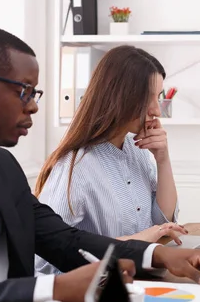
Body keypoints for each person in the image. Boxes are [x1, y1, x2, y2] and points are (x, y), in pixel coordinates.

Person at [0, 27, 200, 302]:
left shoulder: (1, 167)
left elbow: (64, 240)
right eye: (23, 91)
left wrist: (160, 255)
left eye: (35, 94)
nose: (33, 106)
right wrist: (52, 290)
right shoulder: (72, 166)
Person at [34, 45, 185, 274]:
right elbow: (46, 261)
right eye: (148, 98)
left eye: (159, 97)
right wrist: (143, 239)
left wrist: (163, 159)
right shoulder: (76, 167)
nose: (156, 110)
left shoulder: (137, 150)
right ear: (121, 96)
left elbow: (161, 219)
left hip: (145, 278)